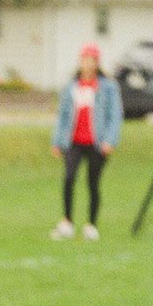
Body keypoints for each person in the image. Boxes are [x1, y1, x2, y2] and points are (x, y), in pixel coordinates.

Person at [51, 42, 121, 240]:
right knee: (69, 178)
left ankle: (91, 224)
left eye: (91, 60)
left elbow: (115, 115)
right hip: (73, 141)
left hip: (96, 143)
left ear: (97, 63)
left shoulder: (107, 87)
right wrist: (57, 141)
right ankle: (67, 222)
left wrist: (110, 140)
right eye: (84, 59)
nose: (87, 64)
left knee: (92, 183)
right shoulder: (72, 86)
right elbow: (63, 115)